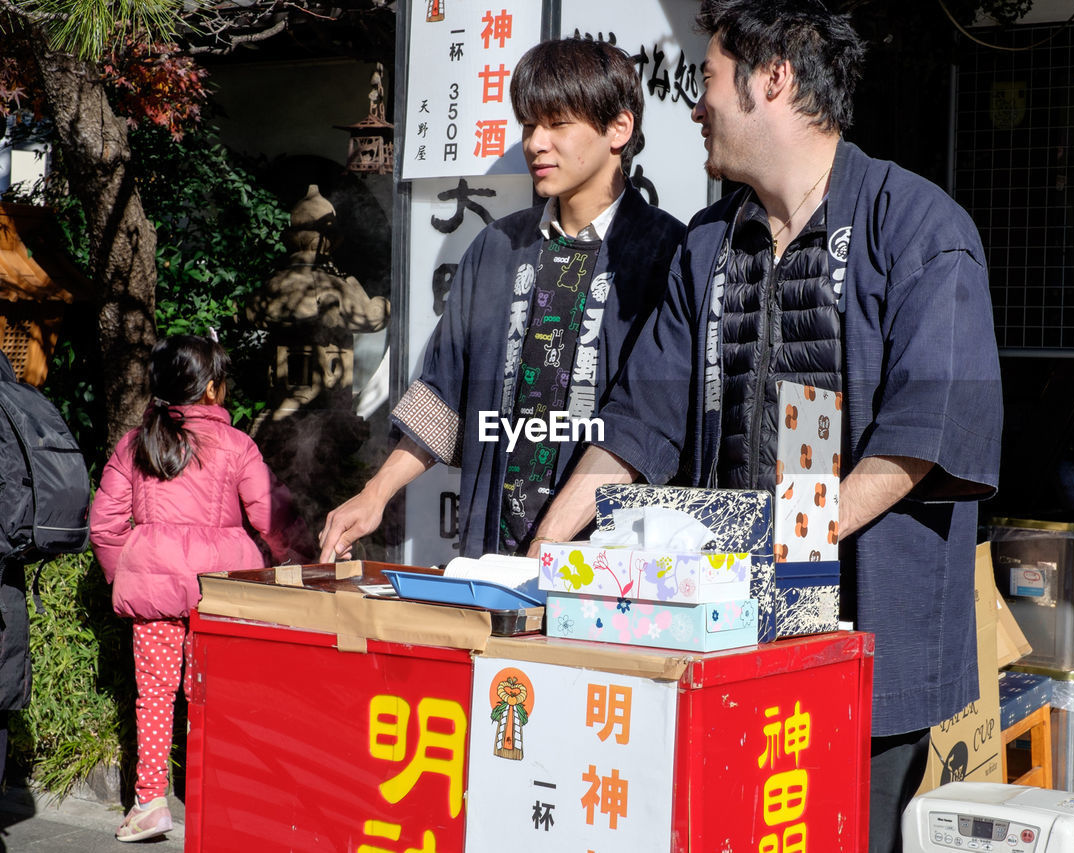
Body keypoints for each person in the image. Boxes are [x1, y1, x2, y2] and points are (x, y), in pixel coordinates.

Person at [530, 3, 1003, 851]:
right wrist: (545, 552)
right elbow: (641, 419)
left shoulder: (922, 227)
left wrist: (784, 536)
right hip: (725, 628)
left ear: (772, 79)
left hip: (864, 636)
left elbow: (922, 431)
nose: (696, 103)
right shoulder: (711, 242)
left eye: (708, 79)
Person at [317, 38, 685, 562]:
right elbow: (443, 392)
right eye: (529, 124)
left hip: (613, 566)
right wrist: (375, 493)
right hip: (496, 553)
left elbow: (650, 420)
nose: (536, 143)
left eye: (558, 124)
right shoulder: (497, 248)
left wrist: (554, 541)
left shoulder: (667, 254)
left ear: (618, 130)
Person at [89, 335, 311, 843]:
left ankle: (150, 804)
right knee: (216, 694)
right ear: (213, 389)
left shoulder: (135, 443)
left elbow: (104, 526)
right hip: (223, 592)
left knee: (155, 696)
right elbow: (272, 515)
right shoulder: (237, 446)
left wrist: (133, 571)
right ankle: (220, 792)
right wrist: (300, 564)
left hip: (156, 597)